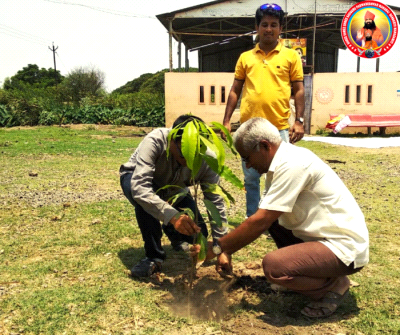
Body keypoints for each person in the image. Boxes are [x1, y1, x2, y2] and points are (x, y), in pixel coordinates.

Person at [194, 117, 369, 318]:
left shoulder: (294, 164)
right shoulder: (280, 164)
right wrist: (228, 249)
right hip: (323, 239)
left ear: (264, 146)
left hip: (344, 247)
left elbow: (259, 222)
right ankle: (311, 275)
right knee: (273, 218)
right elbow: (263, 218)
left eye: (247, 158)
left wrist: (218, 247)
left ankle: (335, 285)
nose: (248, 166)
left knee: (274, 268)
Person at [120, 114, 230, 277]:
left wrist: (221, 247)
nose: (188, 160)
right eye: (183, 154)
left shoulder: (208, 159)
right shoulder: (155, 140)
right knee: (146, 203)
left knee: (199, 234)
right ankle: (154, 257)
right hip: (136, 180)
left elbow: (215, 201)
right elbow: (140, 188)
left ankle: (177, 238)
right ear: (171, 138)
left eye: (194, 155)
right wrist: (172, 216)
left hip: (176, 190)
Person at [222, 3, 305, 218]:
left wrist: (300, 121)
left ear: (280, 28)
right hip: (249, 129)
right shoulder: (245, 58)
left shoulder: (291, 57)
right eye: (265, 24)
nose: (269, 29)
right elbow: (235, 90)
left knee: (278, 177)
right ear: (257, 27)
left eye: (274, 25)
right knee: (250, 178)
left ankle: (273, 221)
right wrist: (226, 121)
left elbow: (299, 90)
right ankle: (252, 218)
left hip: (279, 129)